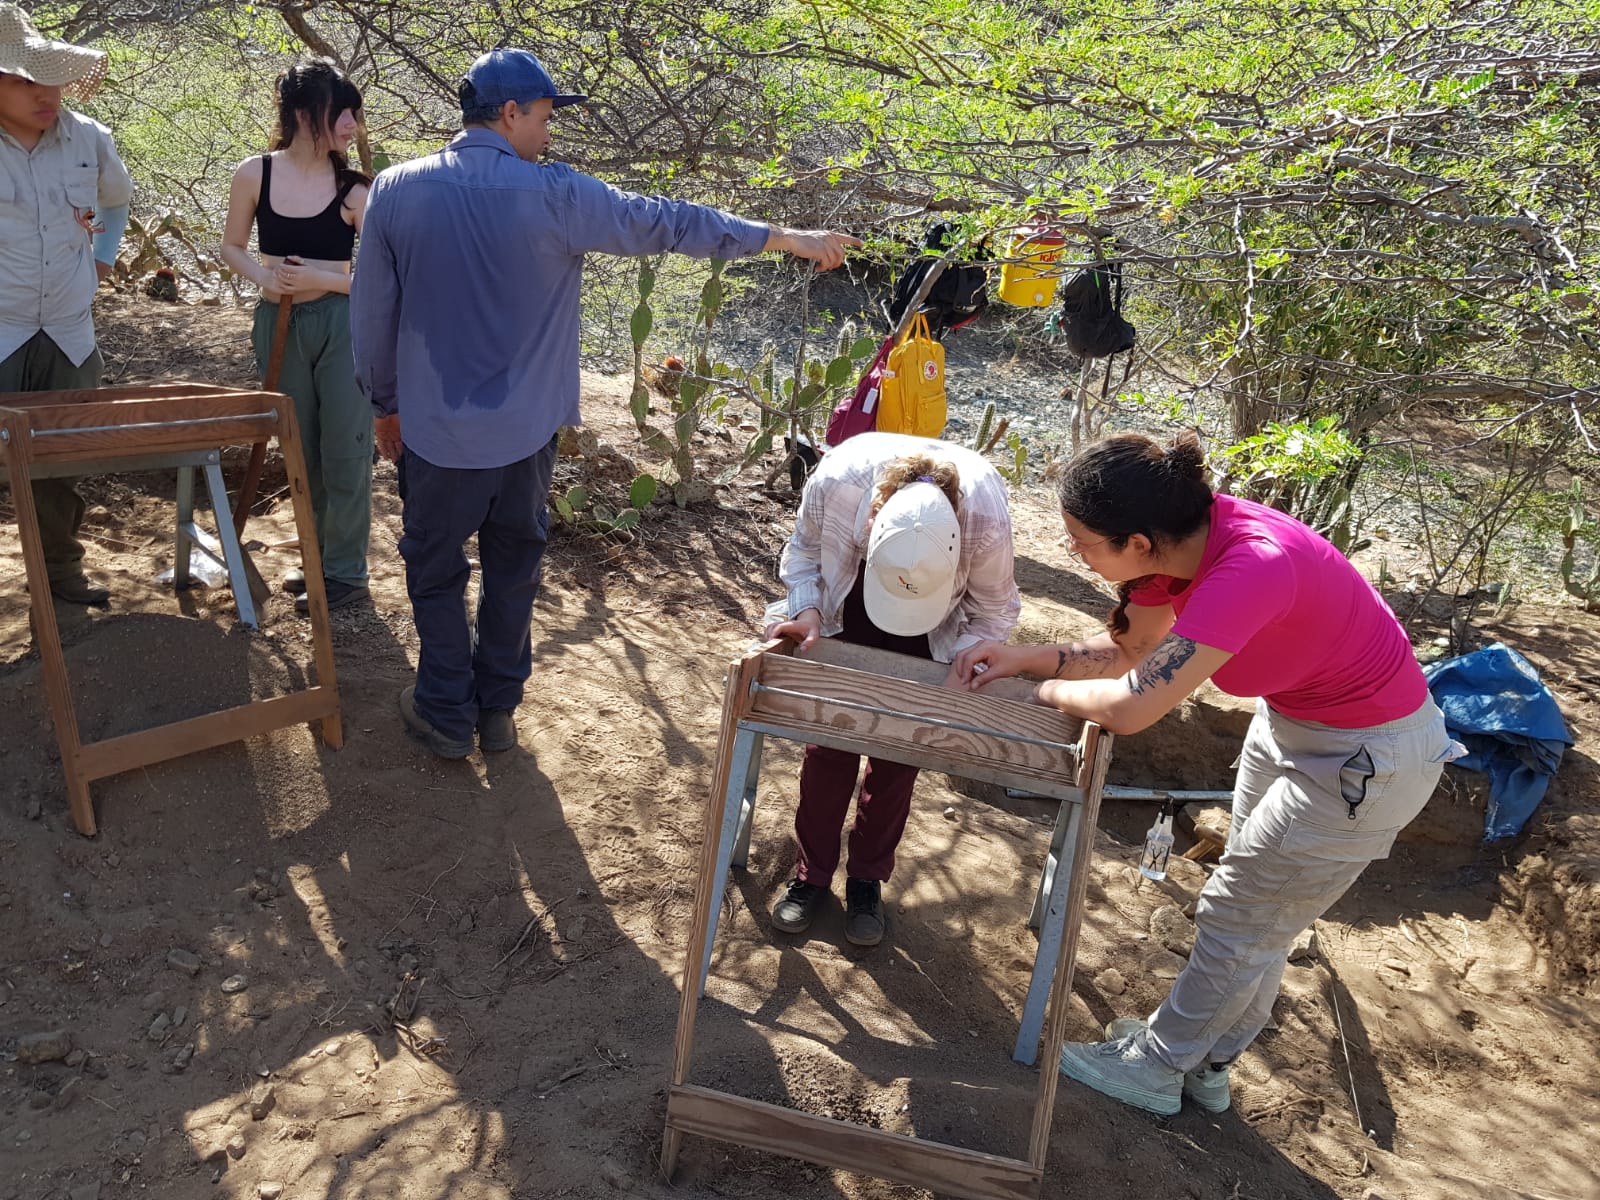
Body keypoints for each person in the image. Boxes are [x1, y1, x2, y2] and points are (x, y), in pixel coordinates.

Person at [350, 48, 859, 761]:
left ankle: (441, 709)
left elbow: (372, 316)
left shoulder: (397, 191)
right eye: (546, 115)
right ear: (510, 113)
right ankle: (495, 711)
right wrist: (786, 239)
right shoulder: (559, 196)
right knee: (514, 568)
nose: (549, 132)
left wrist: (384, 405)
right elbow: (672, 223)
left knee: (434, 570)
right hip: (527, 437)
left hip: (436, 435)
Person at [953, 432, 1459, 1115]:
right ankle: (1206, 1061)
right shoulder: (1183, 543)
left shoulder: (1249, 567)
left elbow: (1133, 706)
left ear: (1136, 542)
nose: (1072, 551)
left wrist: (1040, 695)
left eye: (1081, 541)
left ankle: (1162, 1067)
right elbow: (1132, 647)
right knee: (1258, 917)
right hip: (1294, 724)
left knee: (1242, 915)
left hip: (1368, 761)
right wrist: (1026, 659)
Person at [762, 431, 1021, 946]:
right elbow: (806, 553)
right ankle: (811, 875)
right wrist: (807, 609)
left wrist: (964, 663)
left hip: (935, 626)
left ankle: (866, 880)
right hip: (851, 599)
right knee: (829, 738)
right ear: (872, 528)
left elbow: (994, 609)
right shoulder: (837, 482)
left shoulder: (986, 518)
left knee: (902, 749)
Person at [220, 57, 372, 613]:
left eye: (356, 113)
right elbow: (232, 245)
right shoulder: (254, 173)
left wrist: (318, 278)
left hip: (341, 325)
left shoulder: (356, 191)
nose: (353, 125)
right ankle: (317, 561)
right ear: (305, 115)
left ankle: (346, 573)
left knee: (346, 448)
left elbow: (385, 277)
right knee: (300, 447)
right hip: (277, 323)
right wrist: (264, 276)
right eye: (343, 113)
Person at [0, 3, 131, 605]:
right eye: (24, 79)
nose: (43, 91)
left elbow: (114, 202)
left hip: (70, 332)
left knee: (60, 461)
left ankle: (59, 575)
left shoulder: (88, 137)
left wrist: (102, 260)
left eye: (48, 76)